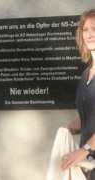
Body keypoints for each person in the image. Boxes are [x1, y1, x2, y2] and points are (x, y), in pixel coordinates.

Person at [61, 9, 95, 179]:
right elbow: (86, 117)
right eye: (85, 29)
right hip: (89, 163)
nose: (90, 34)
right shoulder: (85, 75)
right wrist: (68, 129)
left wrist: (85, 149)